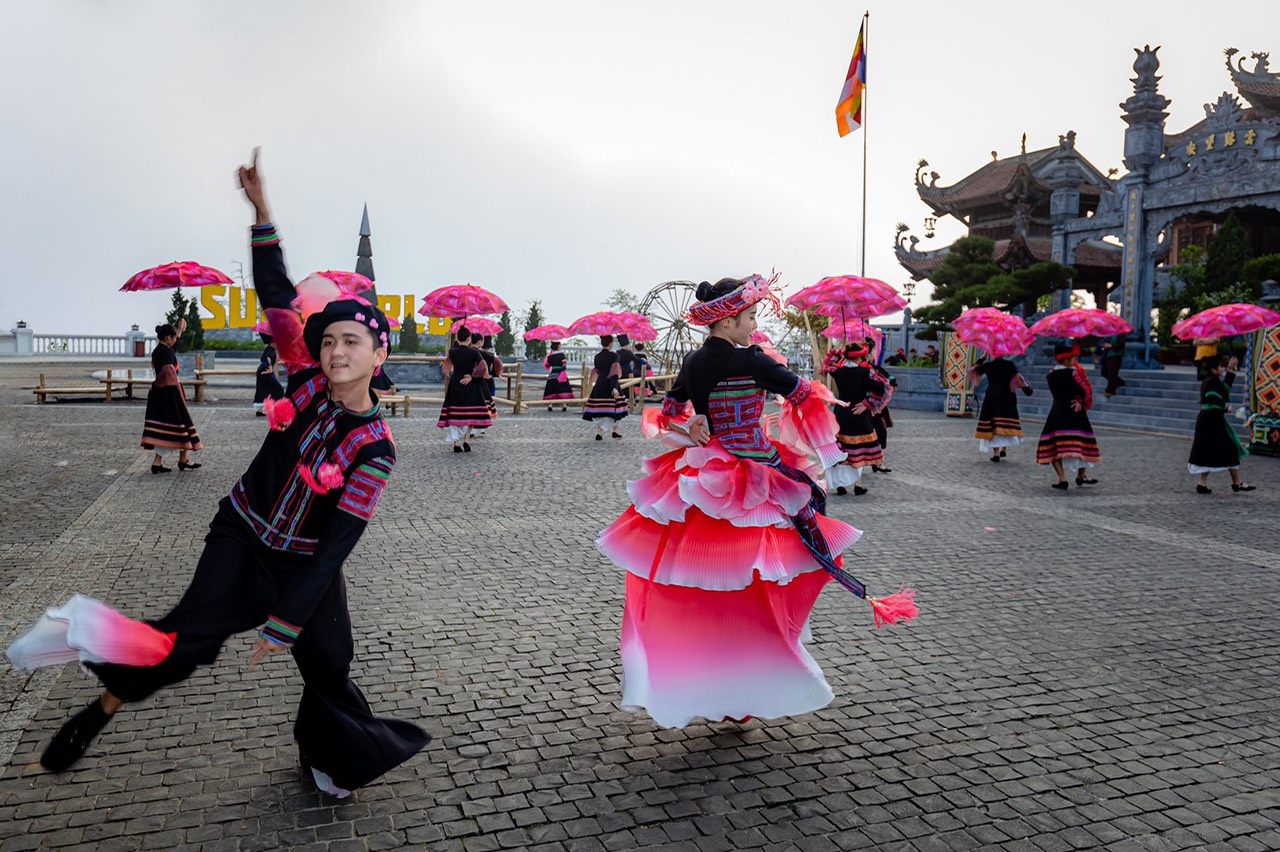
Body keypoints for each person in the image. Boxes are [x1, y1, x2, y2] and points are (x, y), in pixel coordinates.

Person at [7, 149, 429, 797]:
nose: (336, 351)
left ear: (380, 352)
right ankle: (87, 692)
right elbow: (279, 296)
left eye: (352, 342)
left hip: (303, 561)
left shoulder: (375, 447)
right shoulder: (308, 381)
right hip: (242, 533)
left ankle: (332, 757)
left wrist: (286, 623)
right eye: (329, 341)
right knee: (188, 642)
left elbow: (335, 549)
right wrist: (262, 213)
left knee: (330, 662)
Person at [596, 275, 916, 728]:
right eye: (749, 318)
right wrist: (816, 411)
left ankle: (709, 678)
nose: (753, 325)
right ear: (727, 320)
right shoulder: (753, 359)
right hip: (756, 476)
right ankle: (753, 675)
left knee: (700, 585)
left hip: (699, 476)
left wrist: (693, 430)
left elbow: (668, 411)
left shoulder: (692, 360)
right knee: (763, 583)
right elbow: (803, 395)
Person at [824, 341, 891, 496]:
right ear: (861, 358)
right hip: (859, 413)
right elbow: (883, 388)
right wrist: (866, 404)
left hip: (841, 412)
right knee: (859, 450)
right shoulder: (866, 373)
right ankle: (858, 484)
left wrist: (840, 351)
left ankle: (840, 485)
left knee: (842, 449)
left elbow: (829, 363)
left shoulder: (837, 371)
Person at [1036, 343, 1101, 489]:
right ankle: (1080, 475)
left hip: (1057, 411)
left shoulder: (1050, 375)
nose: (1073, 361)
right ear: (1066, 361)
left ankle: (1062, 478)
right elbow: (1084, 391)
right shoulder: (1073, 374)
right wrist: (1080, 400)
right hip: (1074, 411)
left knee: (1054, 448)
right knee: (1083, 445)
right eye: (1071, 359)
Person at [141, 319, 202, 473]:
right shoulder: (167, 352)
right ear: (168, 338)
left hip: (158, 395)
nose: (176, 340)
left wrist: (180, 329)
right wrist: (176, 393)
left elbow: (170, 348)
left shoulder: (158, 350)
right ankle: (182, 459)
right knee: (182, 425)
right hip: (170, 394)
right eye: (174, 337)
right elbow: (168, 372)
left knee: (165, 427)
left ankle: (160, 462)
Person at [1188, 356, 1256, 494]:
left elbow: (1223, 393)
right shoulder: (1212, 382)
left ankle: (1206, 483)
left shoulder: (1211, 380)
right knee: (1230, 448)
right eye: (1221, 366)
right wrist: (1225, 409)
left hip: (1210, 420)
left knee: (1212, 450)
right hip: (1211, 421)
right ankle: (1236, 483)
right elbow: (1214, 401)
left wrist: (1231, 369)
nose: (1223, 368)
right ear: (1213, 369)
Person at [437, 326, 492, 452]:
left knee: (455, 415)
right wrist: (473, 377)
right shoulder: (474, 352)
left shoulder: (452, 352)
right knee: (471, 414)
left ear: (457, 338)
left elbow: (447, 365)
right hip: (470, 385)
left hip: (456, 384)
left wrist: (449, 373)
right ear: (469, 339)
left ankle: (456, 443)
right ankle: (466, 440)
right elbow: (483, 367)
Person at [970, 354, 1033, 462]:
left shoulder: (989, 365)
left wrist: (983, 358)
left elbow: (974, 370)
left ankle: (996, 453)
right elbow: (1017, 380)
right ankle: (1004, 448)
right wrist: (1026, 389)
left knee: (994, 425)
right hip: (1007, 396)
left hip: (992, 396)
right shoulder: (1010, 365)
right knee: (1005, 423)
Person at [582, 334, 626, 439]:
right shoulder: (614, 356)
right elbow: (614, 373)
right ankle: (615, 431)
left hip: (600, 384)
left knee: (600, 408)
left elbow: (597, 370)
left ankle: (599, 432)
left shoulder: (597, 356)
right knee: (617, 407)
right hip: (611, 383)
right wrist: (614, 388)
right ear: (611, 344)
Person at [253, 331, 285, 416]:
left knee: (263, 389)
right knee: (279, 389)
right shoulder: (270, 349)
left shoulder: (270, 349)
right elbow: (268, 358)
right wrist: (270, 368)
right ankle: (276, 408)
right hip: (265, 370)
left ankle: (259, 410)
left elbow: (272, 358)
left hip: (263, 370)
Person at [542, 341, 574, 411]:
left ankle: (550, 405)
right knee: (562, 389)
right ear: (558, 346)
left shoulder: (550, 356)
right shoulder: (561, 355)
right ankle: (564, 405)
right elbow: (564, 364)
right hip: (561, 374)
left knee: (552, 390)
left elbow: (548, 365)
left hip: (552, 374)